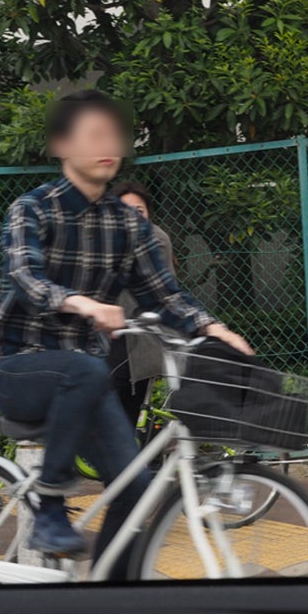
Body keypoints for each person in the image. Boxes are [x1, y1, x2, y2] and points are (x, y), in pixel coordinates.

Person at [0, 90, 253, 559]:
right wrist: (83, 304)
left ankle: (111, 593)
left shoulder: (127, 223)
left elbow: (163, 294)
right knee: (84, 368)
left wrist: (213, 329)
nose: (109, 144)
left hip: (81, 380)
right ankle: (48, 508)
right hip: (19, 365)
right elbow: (26, 279)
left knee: (135, 486)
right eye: (94, 134)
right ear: (63, 144)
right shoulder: (32, 208)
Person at [106, 180, 174, 431]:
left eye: (139, 210)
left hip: (138, 336)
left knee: (123, 404)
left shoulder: (156, 239)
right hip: (103, 331)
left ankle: (125, 457)